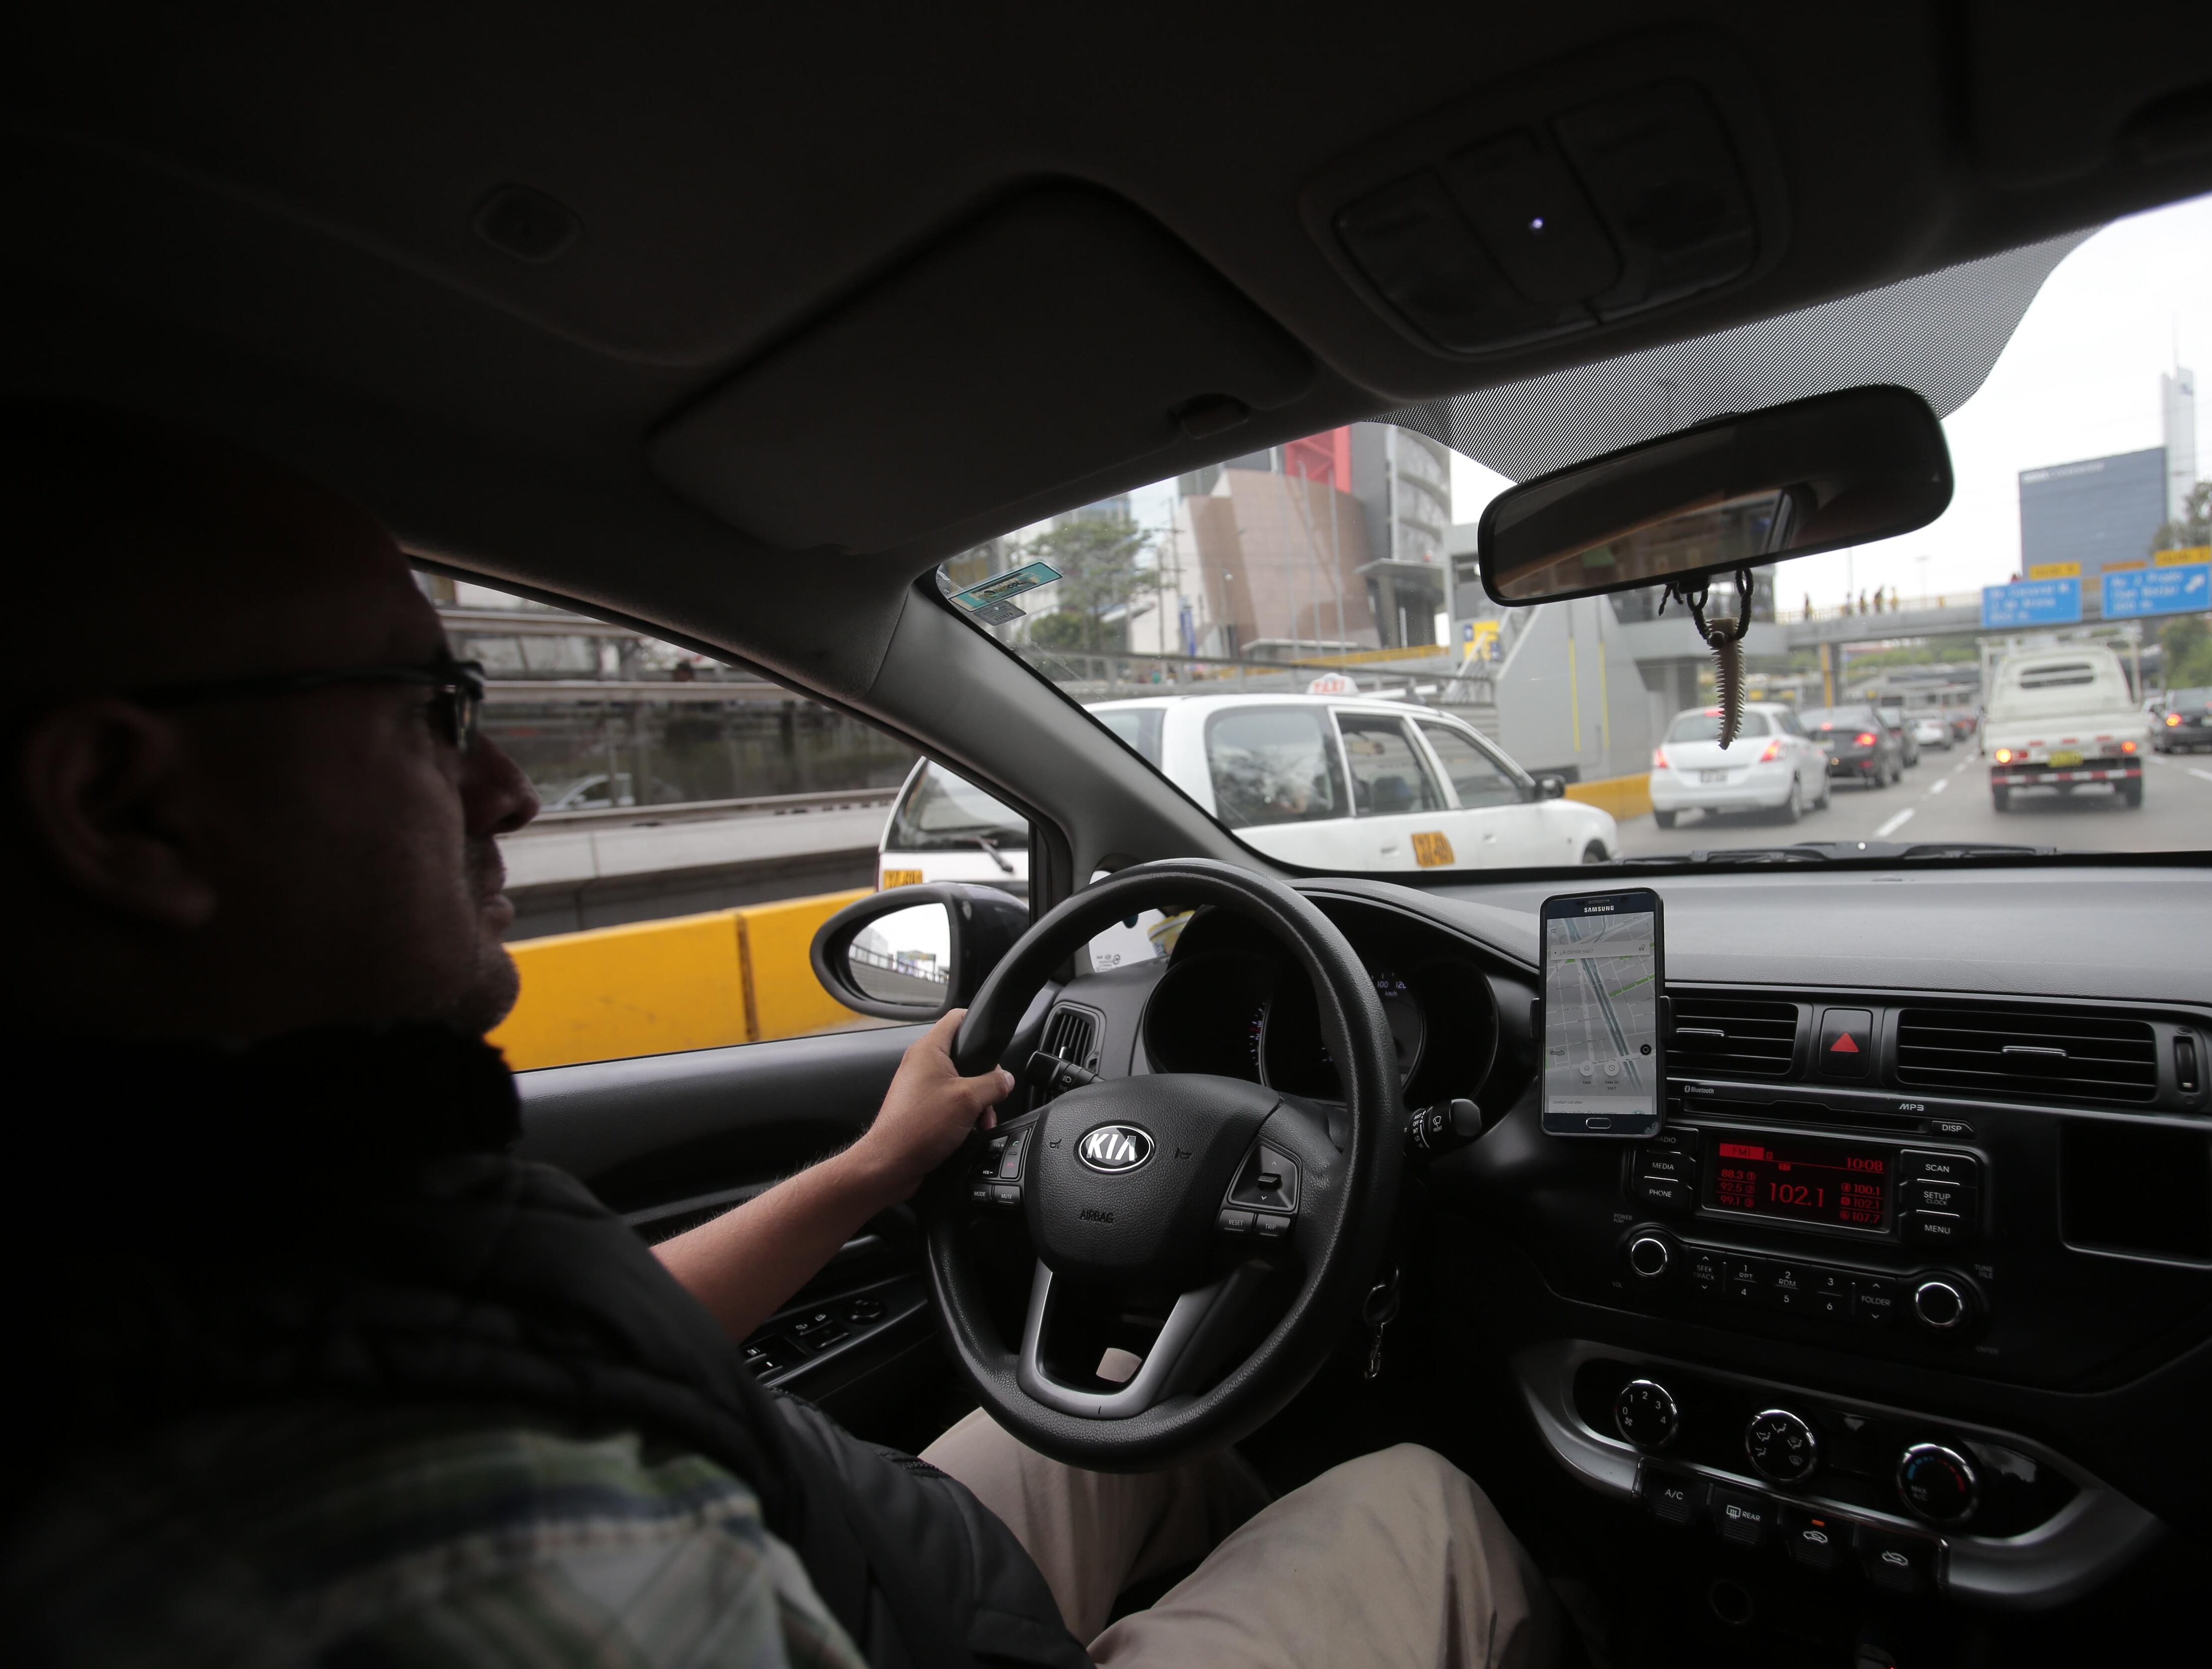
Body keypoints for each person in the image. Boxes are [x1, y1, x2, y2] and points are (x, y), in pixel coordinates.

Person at [0, 401, 1555, 1669]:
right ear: (126, 812)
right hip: (878, 1604)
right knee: (1421, 1504)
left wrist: (875, 1170)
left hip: (865, 1561)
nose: (512, 795)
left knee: (1170, 1445)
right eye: (433, 710)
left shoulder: (246, 1233)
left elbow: (600, 1327)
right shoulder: (450, 1547)